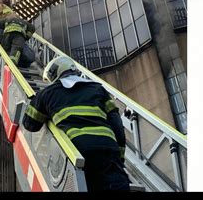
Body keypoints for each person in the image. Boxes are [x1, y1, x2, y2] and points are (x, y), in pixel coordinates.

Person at [21, 56, 130, 191]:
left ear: (55, 73)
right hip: (108, 151)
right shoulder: (98, 89)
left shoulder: (47, 93)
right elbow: (117, 124)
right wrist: (119, 155)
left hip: (79, 154)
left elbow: (30, 124)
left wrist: (36, 102)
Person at [0, 0, 35, 65]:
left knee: (5, 46)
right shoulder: (17, 16)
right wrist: (26, 37)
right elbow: (32, 27)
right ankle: (13, 61)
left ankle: (4, 57)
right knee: (17, 48)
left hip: (7, 28)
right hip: (19, 34)